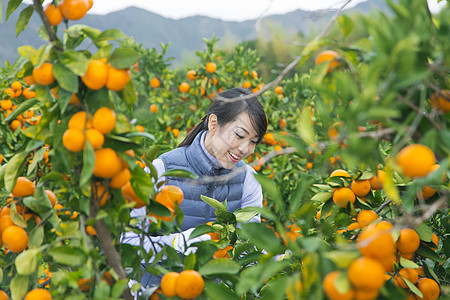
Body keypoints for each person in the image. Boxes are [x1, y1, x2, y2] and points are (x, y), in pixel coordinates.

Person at [122, 87, 268, 289]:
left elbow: (248, 250)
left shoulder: (248, 180)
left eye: (253, 141)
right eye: (240, 136)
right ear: (214, 123)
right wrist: (178, 243)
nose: (245, 149)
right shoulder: (162, 170)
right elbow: (127, 245)